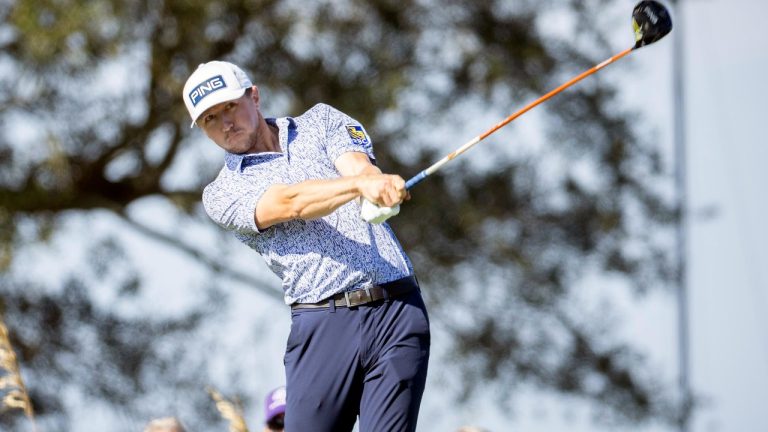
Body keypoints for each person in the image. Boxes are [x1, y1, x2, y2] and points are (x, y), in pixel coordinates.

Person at [182, 61, 430, 432]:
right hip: (322, 325)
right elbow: (291, 203)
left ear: (254, 96)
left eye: (230, 107)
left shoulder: (321, 121)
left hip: (397, 309)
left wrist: (374, 183)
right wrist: (359, 187)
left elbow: (359, 167)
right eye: (210, 119)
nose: (225, 124)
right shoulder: (222, 193)